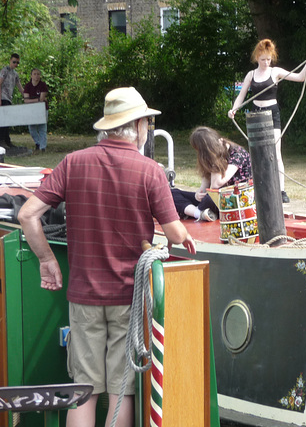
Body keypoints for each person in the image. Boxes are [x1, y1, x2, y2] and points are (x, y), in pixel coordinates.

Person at [18, 87, 196, 427]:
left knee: (83, 391)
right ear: (140, 125)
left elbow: (28, 215)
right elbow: (175, 234)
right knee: (121, 392)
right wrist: (186, 237)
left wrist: (47, 260)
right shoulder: (149, 170)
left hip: (83, 296)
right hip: (128, 299)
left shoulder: (73, 162)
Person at [228, 39, 306, 203]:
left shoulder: (275, 71)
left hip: (272, 114)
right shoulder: (251, 75)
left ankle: (281, 190)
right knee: (258, 154)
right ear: (257, 57)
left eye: (268, 59)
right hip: (256, 115)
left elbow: (300, 77)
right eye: (263, 59)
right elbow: (241, 96)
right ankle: (260, 189)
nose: (266, 62)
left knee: (276, 154)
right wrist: (234, 109)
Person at [172, 126, 252, 221]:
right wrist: (198, 194)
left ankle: (192, 212)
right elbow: (205, 188)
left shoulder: (237, 154)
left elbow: (216, 184)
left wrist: (215, 159)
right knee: (171, 193)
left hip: (234, 198)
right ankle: (199, 213)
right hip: (215, 197)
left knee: (209, 199)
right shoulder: (209, 157)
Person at [0, 53, 26, 154]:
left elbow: (20, 87)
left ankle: (7, 140)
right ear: (10, 60)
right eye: (14, 62)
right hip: (3, 98)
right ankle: (2, 140)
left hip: (9, 98)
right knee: (3, 120)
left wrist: (26, 96)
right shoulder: (4, 70)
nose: (15, 64)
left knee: (7, 121)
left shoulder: (15, 74)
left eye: (17, 63)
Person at [23, 67, 50, 153]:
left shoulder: (43, 85)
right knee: (32, 128)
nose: (36, 76)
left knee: (42, 128)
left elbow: (42, 99)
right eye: (34, 74)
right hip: (31, 110)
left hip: (42, 109)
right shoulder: (27, 86)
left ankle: (43, 147)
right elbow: (26, 100)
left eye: (38, 74)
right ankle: (37, 143)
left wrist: (36, 99)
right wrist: (37, 100)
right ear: (31, 76)